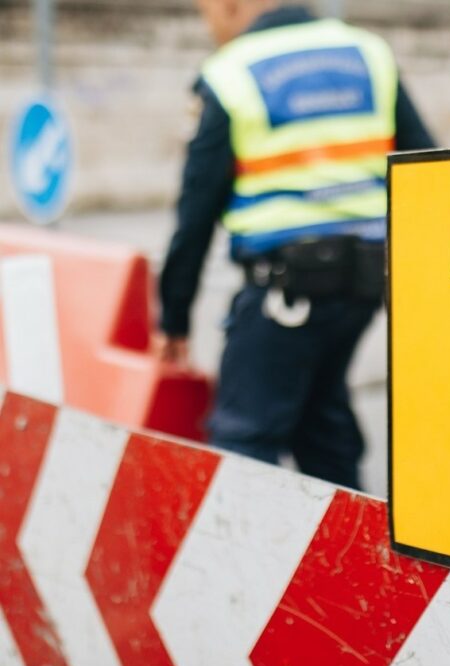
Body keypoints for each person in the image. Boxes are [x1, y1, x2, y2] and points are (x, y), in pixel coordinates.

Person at [157, 0, 434, 489]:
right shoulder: (368, 53)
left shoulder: (229, 74)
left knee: (243, 440)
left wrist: (174, 318)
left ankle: (239, 557)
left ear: (229, 5)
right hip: (365, 288)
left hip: (284, 296)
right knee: (322, 427)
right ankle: (351, 561)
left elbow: (195, 212)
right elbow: (431, 169)